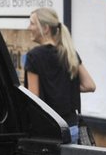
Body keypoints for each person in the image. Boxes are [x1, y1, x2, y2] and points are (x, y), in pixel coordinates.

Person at [24, 8, 96, 143]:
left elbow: (34, 101)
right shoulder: (69, 53)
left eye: (32, 23)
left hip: (49, 133)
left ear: (45, 28)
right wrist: (65, 87)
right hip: (72, 128)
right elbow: (89, 85)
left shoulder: (34, 56)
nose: (29, 28)